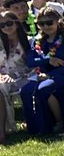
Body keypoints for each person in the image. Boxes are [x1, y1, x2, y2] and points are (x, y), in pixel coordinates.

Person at [19, 7, 64, 135]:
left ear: (58, 21)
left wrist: (49, 75)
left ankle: (58, 122)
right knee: (25, 90)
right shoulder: (38, 40)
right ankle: (34, 126)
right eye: (41, 24)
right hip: (43, 75)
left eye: (49, 22)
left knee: (43, 89)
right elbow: (30, 61)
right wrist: (48, 60)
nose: (45, 26)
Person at [0, 10, 32, 143]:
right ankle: (2, 131)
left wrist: (13, 75)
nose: (6, 27)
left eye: (9, 23)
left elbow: (32, 66)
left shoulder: (28, 42)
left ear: (16, 23)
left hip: (24, 76)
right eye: (2, 25)